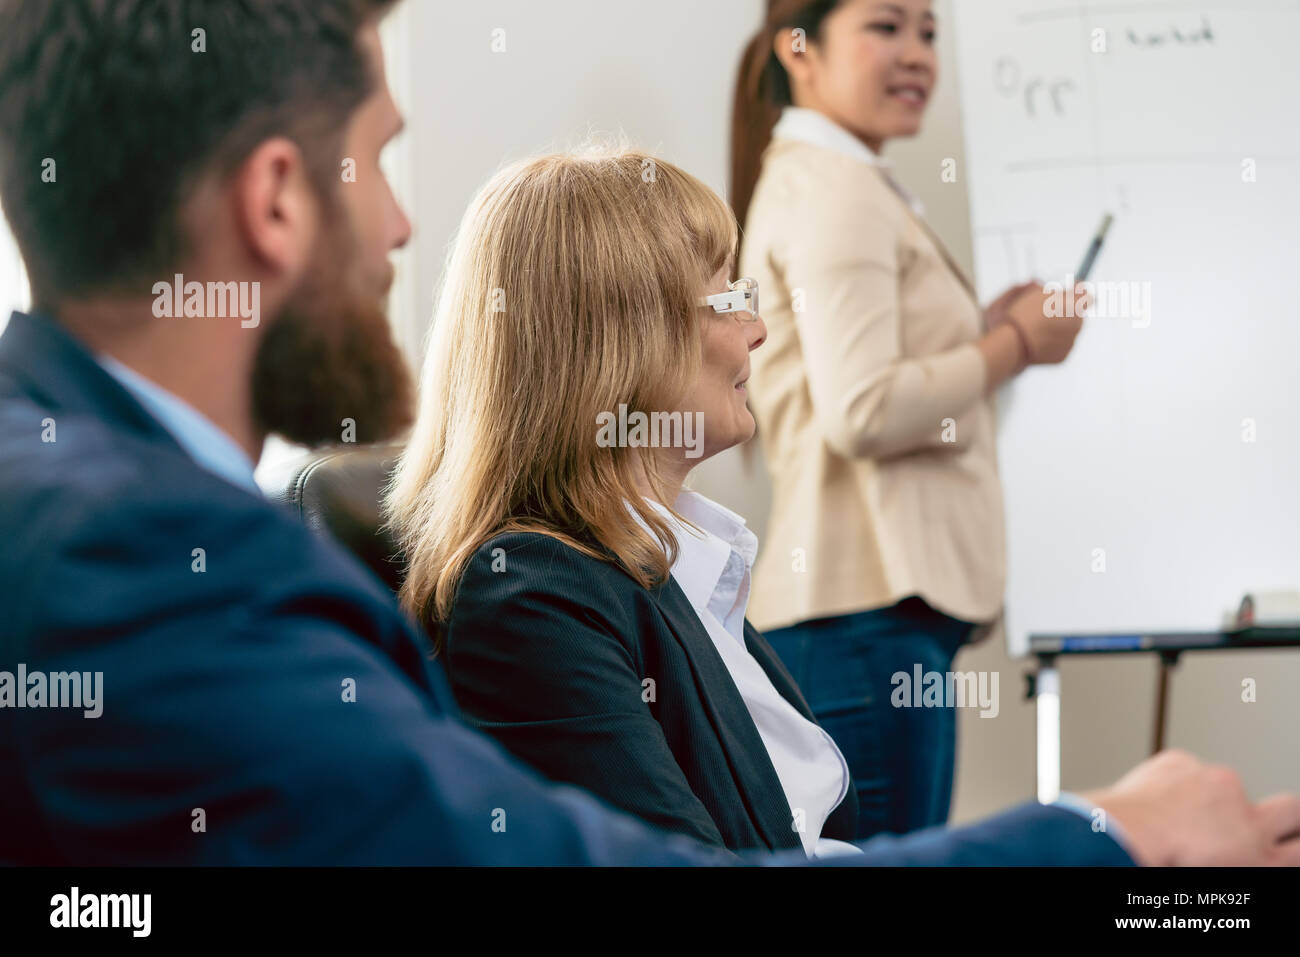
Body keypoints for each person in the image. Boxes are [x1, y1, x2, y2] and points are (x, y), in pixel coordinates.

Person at [0, 0, 1295, 868]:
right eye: (383, 161)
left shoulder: (116, 510)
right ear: (277, 200)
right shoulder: (142, 564)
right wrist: (1102, 837)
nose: (403, 230)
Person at [388, 149, 864, 856]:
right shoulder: (530, 600)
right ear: (623, 339)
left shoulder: (682, 569)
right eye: (728, 298)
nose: (757, 329)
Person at [729, 0, 1085, 838]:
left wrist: (983, 335)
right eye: (886, 27)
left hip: (866, 622)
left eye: (928, 31)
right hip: (865, 621)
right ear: (800, 49)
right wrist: (1011, 345)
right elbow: (865, 407)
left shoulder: (837, 177)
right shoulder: (837, 186)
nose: (918, 54)